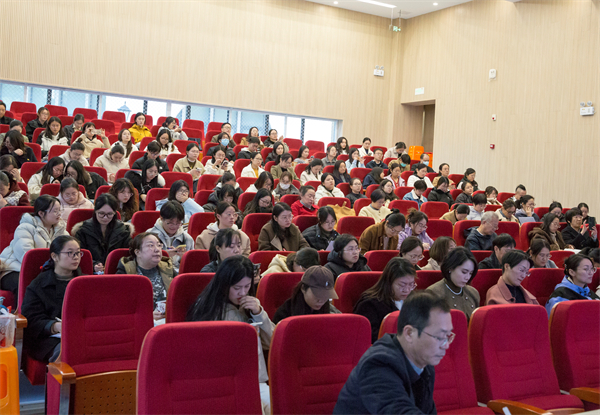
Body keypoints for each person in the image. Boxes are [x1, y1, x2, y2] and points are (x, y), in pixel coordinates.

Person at [334, 291, 451, 415]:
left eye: (448, 336)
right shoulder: (378, 364)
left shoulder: (425, 363)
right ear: (409, 333)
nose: (446, 345)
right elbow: (399, 411)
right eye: (438, 337)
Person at [186, 255, 275, 413]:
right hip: (221, 381)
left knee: (277, 404)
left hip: (255, 379)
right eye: (236, 288)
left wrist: (259, 313)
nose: (242, 292)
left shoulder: (252, 306)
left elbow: (273, 342)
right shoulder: (208, 309)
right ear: (224, 285)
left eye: (247, 286)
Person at [21, 236, 83, 362]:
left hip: (83, 334)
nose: (76, 257)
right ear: (54, 256)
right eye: (70, 253)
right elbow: (32, 319)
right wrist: (55, 326)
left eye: (78, 253)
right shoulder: (39, 284)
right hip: (49, 338)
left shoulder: (86, 282)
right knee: (70, 350)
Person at [0, 195, 68, 298]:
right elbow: (26, 257)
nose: (59, 214)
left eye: (59, 210)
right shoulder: (25, 228)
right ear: (41, 213)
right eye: (55, 211)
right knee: (29, 285)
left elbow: (69, 251)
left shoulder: (60, 230)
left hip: (44, 270)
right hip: (14, 269)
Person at [354, 258, 416, 343]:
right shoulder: (370, 303)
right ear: (389, 282)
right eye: (402, 285)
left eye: (411, 285)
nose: (407, 290)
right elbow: (370, 336)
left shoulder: (414, 300)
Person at [116, 232, 175, 322]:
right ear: (138, 252)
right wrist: (146, 315)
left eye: (159, 245)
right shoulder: (125, 272)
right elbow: (121, 307)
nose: (157, 249)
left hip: (169, 320)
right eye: (151, 245)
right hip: (139, 322)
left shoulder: (168, 268)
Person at [73, 193, 133, 274]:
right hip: (90, 273)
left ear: (115, 213)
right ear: (95, 211)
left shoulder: (123, 230)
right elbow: (79, 254)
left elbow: (129, 254)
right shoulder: (83, 230)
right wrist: (93, 264)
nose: (105, 217)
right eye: (101, 213)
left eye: (110, 214)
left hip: (116, 272)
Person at [273, 266, 340, 324]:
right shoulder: (285, 315)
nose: (321, 300)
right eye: (317, 294)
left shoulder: (332, 311)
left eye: (325, 295)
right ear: (303, 288)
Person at [427, 247, 479, 319]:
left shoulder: (473, 292)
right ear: (450, 268)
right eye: (464, 272)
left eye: (470, 273)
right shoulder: (433, 293)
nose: (467, 277)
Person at [147, 202, 194, 272]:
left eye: (178, 223)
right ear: (161, 218)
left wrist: (184, 258)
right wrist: (163, 256)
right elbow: (144, 263)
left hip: (179, 274)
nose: (174, 226)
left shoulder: (187, 239)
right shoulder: (149, 236)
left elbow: (192, 266)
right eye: (170, 223)